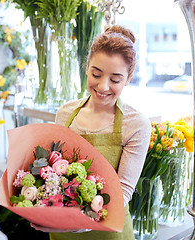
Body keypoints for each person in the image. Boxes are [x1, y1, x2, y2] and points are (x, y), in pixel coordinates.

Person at [31, 25, 151, 240]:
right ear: (86, 67)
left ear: (129, 77)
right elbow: (53, 171)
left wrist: (83, 223)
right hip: (61, 231)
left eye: (115, 79)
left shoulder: (135, 124)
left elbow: (123, 190)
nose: (103, 86)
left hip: (108, 230)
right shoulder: (65, 113)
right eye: (96, 74)